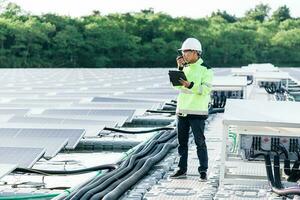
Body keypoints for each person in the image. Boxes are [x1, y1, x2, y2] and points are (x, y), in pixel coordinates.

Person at [170, 37, 213, 182]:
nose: (183, 55)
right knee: (182, 142)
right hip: (182, 110)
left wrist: (190, 85)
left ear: (195, 52)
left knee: (199, 142)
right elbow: (175, 86)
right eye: (182, 52)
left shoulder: (206, 69)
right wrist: (179, 69)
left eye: (186, 52)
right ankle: (181, 169)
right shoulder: (184, 67)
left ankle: (203, 170)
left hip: (197, 112)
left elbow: (206, 89)